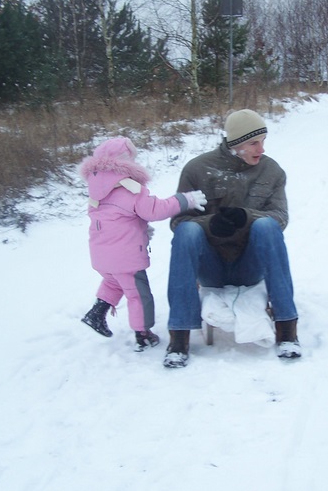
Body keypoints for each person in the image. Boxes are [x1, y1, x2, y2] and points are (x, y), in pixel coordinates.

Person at [163, 109, 301, 368]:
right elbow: (178, 221)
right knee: (187, 231)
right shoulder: (197, 169)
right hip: (211, 267)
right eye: (253, 143)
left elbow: (280, 217)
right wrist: (210, 224)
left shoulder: (271, 171)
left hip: (249, 266)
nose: (260, 149)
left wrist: (245, 216)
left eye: (263, 141)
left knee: (268, 227)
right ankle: (179, 336)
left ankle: (287, 329)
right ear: (236, 143)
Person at [79, 137, 207, 351]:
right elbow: (155, 210)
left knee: (113, 282)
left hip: (102, 256)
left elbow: (117, 218)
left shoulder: (97, 191)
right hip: (126, 258)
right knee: (138, 295)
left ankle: (96, 313)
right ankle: (143, 334)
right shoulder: (130, 189)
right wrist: (185, 200)